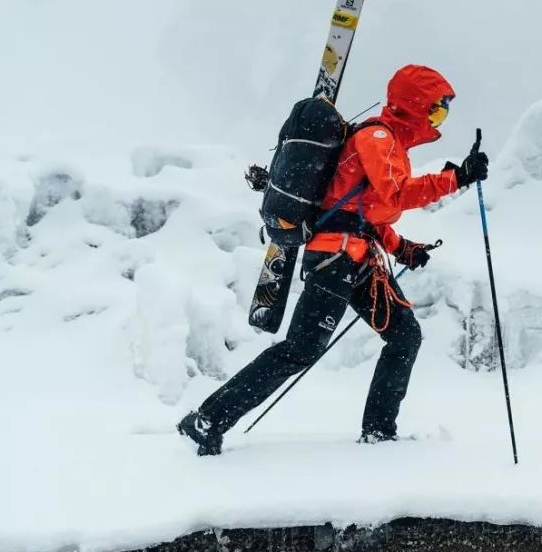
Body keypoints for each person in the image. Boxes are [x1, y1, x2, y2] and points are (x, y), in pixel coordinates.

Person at [177, 65, 488, 455]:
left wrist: (402, 247)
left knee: (405, 336)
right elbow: (394, 196)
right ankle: (207, 420)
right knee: (301, 348)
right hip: (335, 258)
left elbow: (367, 212)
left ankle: (378, 434)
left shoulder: (392, 145)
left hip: (358, 259)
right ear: (415, 105)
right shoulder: (377, 137)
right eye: (436, 110)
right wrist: (455, 178)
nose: (439, 119)